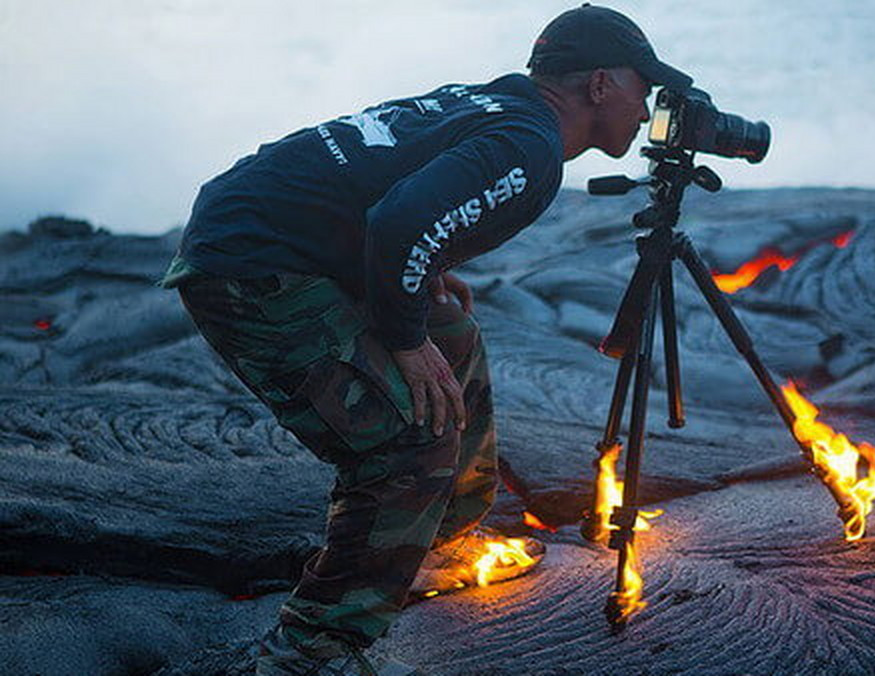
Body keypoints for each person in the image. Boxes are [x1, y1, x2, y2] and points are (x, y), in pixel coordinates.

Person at [161, 4, 690, 675]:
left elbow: (390, 183)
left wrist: (427, 276)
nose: (647, 112)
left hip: (267, 227)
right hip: (251, 265)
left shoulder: (499, 102)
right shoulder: (530, 147)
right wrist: (405, 340)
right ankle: (312, 650)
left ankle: (436, 540)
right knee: (405, 440)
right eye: (643, 89)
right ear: (599, 86)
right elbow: (399, 219)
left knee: (454, 335)